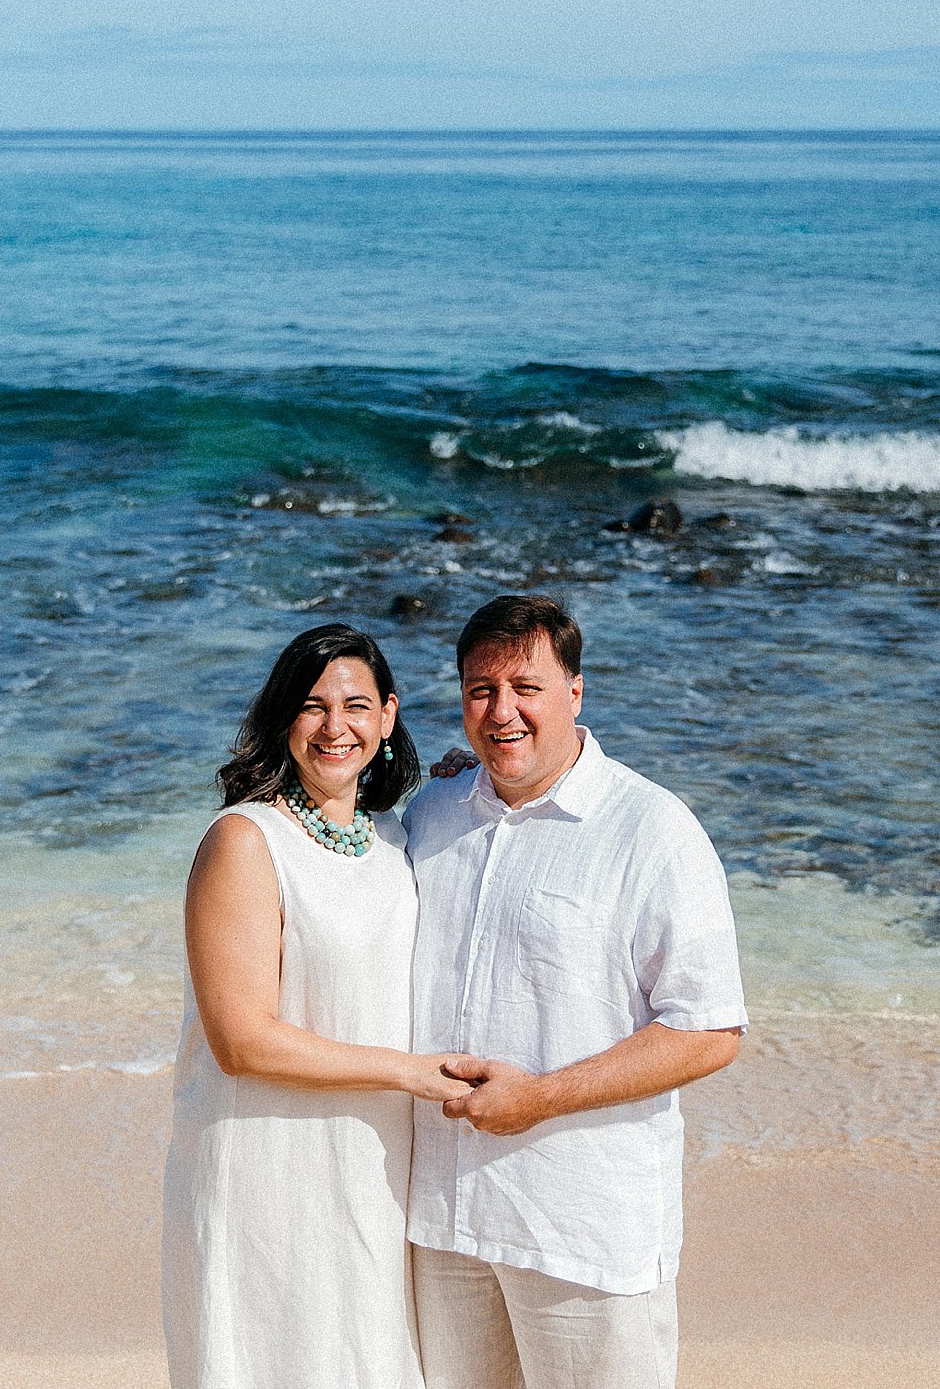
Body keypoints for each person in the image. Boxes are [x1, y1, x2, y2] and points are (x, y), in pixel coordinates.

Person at [405, 595, 747, 1389]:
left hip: (582, 1230)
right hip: (442, 1222)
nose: (502, 711)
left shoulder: (652, 830)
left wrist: (543, 1096)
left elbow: (708, 1029)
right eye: (480, 689)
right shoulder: (433, 811)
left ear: (575, 693)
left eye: (526, 685)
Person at [160, 623, 471, 1389]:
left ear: (389, 715)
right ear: (282, 718)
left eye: (357, 705)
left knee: (366, 1358)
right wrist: (411, 1073)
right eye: (312, 706)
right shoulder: (244, 840)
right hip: (264, 1161)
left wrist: (468, 786)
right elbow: (241, 1042)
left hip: (371, 1156)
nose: (337, 727)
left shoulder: (398, 835)